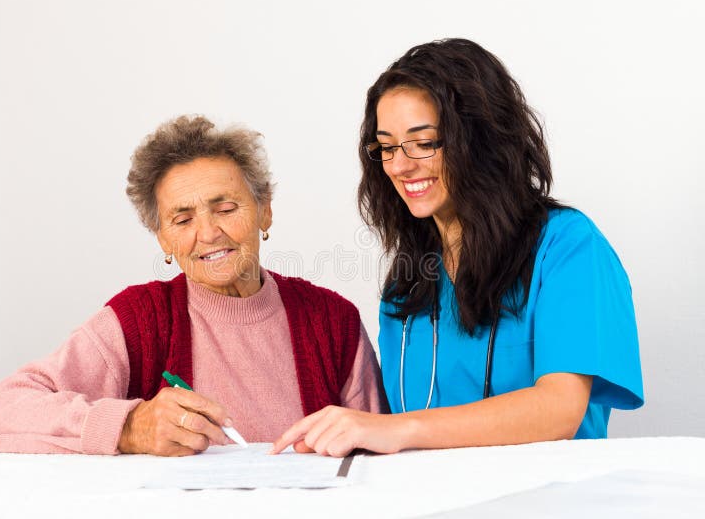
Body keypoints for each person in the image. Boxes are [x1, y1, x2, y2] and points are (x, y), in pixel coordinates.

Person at [272, 38, 644, 457]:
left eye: (424, 142)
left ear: (482, 140)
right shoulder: (409, 281)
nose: (399, 165)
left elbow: (560, 409)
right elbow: (391, 425)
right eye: (388, 146)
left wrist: (396, 429)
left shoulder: (568, 247)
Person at [0, 115, 386, 456]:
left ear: (265, 212)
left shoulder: (333, 321)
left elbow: (375, 462)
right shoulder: (138, 320)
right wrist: (129, 427)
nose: (208, 232)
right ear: (164, 240)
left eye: (226, 208)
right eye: (183, 219)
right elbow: (5, 412)